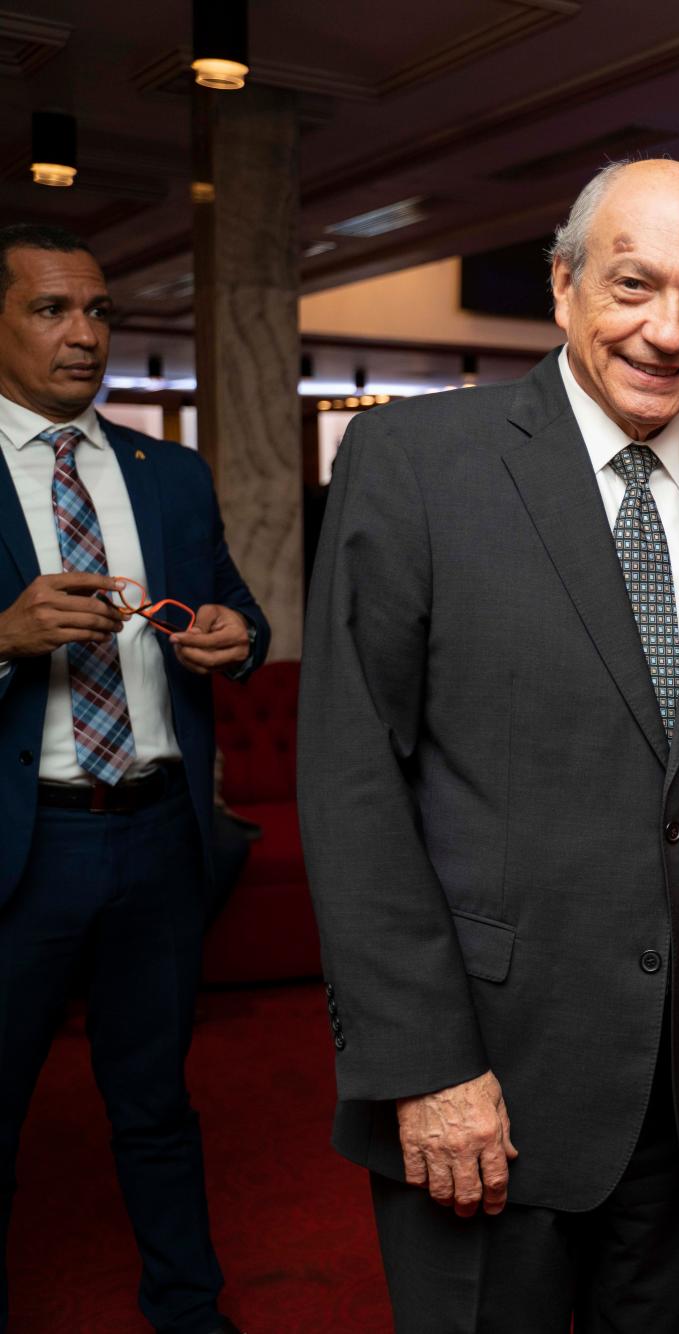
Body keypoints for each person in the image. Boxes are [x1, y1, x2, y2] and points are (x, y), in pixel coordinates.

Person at [299, 159, 679, 1328]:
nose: (665, 330)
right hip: (485, 1079)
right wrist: (424, 1064)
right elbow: (350, 779)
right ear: (562, 284)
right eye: (633, 285)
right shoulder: (416, 467)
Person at [0, 223, 267, 1334]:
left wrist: (230, 637)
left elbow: (240, 611)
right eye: (52, 309)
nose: (84, 334)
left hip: (159, 835)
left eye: (99, 310)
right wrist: (5, 634)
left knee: (158, 1101)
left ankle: (190, 1309)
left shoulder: (169, 470)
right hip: (25, 845)